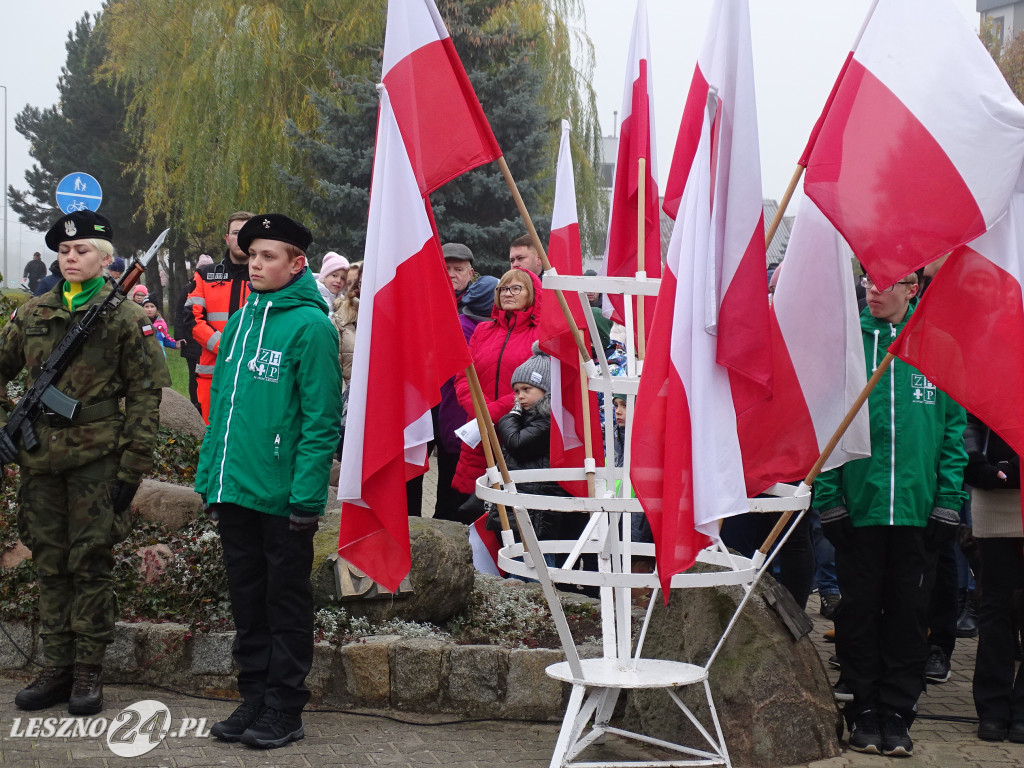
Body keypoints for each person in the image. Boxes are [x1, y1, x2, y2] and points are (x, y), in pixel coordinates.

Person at [1, 210, 170, 715]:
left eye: (82, 251)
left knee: (90, 562)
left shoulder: (124, 317)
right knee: (50, 562)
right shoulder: (33, 313)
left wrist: (132, 468)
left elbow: (146, 397)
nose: (71, 257)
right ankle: (56, 667)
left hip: (97, 459)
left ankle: (88, 672)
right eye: (65, 251)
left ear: (105, 259)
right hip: (40, 460)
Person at [195, 213, 343, 749]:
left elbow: (322, 420)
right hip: (236, 490)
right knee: (247, 602)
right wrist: (211, 479)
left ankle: (285, 707)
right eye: (252, 255)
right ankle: (253, 696)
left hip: (283, 498)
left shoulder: (311, 327)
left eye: (269, 256)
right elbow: (225, 412)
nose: (256, 264)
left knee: (285, 604)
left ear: (297, 263)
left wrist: (306, 497)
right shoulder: (239, 321)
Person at [817, 270, 968, 758]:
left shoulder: (938, 346)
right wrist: (828, 498)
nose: (874, 291)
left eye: (888, 283)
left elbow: (953, 432)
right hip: (858, 509)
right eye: (868, 281)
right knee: (858, 612)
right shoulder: (847, 345)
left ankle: (898, 711)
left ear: (912, 290)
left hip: (917, 511)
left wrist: (948, 500)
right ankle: (862, 707)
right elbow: (824, 427)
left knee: (908, 614)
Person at [453, 268, 543, 500]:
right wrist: (476, 409)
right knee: (470, 505)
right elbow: (463, 375)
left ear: (532, 294)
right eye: (503, 288)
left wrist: (490, 412)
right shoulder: (483, 331)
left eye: (516, 288)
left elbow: (539, 383)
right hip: (478, 431)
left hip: (518, 432)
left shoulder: (541, 336)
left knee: (509, 507)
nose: (507, 294)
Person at [964, 413, 1024, 743]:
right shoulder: (993, 361)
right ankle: (993, 708)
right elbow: (970, 418)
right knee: (995, 605)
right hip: (994, 494)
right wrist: (974, 460)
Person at [186, 211, 253, 424]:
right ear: (226, 238)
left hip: (251, 372)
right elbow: (192, 319)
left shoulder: (264, 277)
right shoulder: (206, 274)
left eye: (246, 233)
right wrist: (224, 346)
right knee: (211, 433)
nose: (240, 238)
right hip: (212, 372)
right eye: (236, 232)